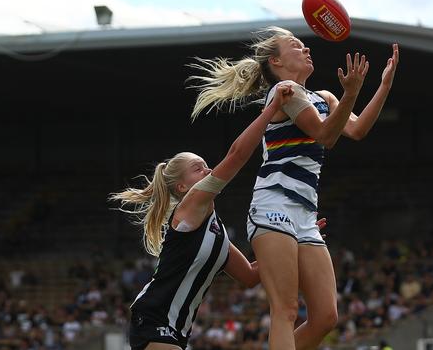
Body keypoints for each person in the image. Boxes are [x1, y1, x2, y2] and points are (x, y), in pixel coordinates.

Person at [188, 27, 399, 350]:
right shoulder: (284, 91)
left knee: (326, 317)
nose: (306, 49)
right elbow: (325, 135)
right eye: (295, 46)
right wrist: (352, 93)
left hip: (305, 216)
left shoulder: (326, 98)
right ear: (276, 61)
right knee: (285, 310)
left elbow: (355, 130)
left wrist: (383, 85)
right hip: (274, 206)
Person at [110, 84, 301, 350]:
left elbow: (250, 275)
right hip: (155, 319)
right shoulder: (189, 206)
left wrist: (297, 236)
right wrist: (272, 109)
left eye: (206, 165)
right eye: (197, 169)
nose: (208, 170)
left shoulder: (216, 232)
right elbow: (236, 155)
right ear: (182, 188)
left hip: (176, 329)